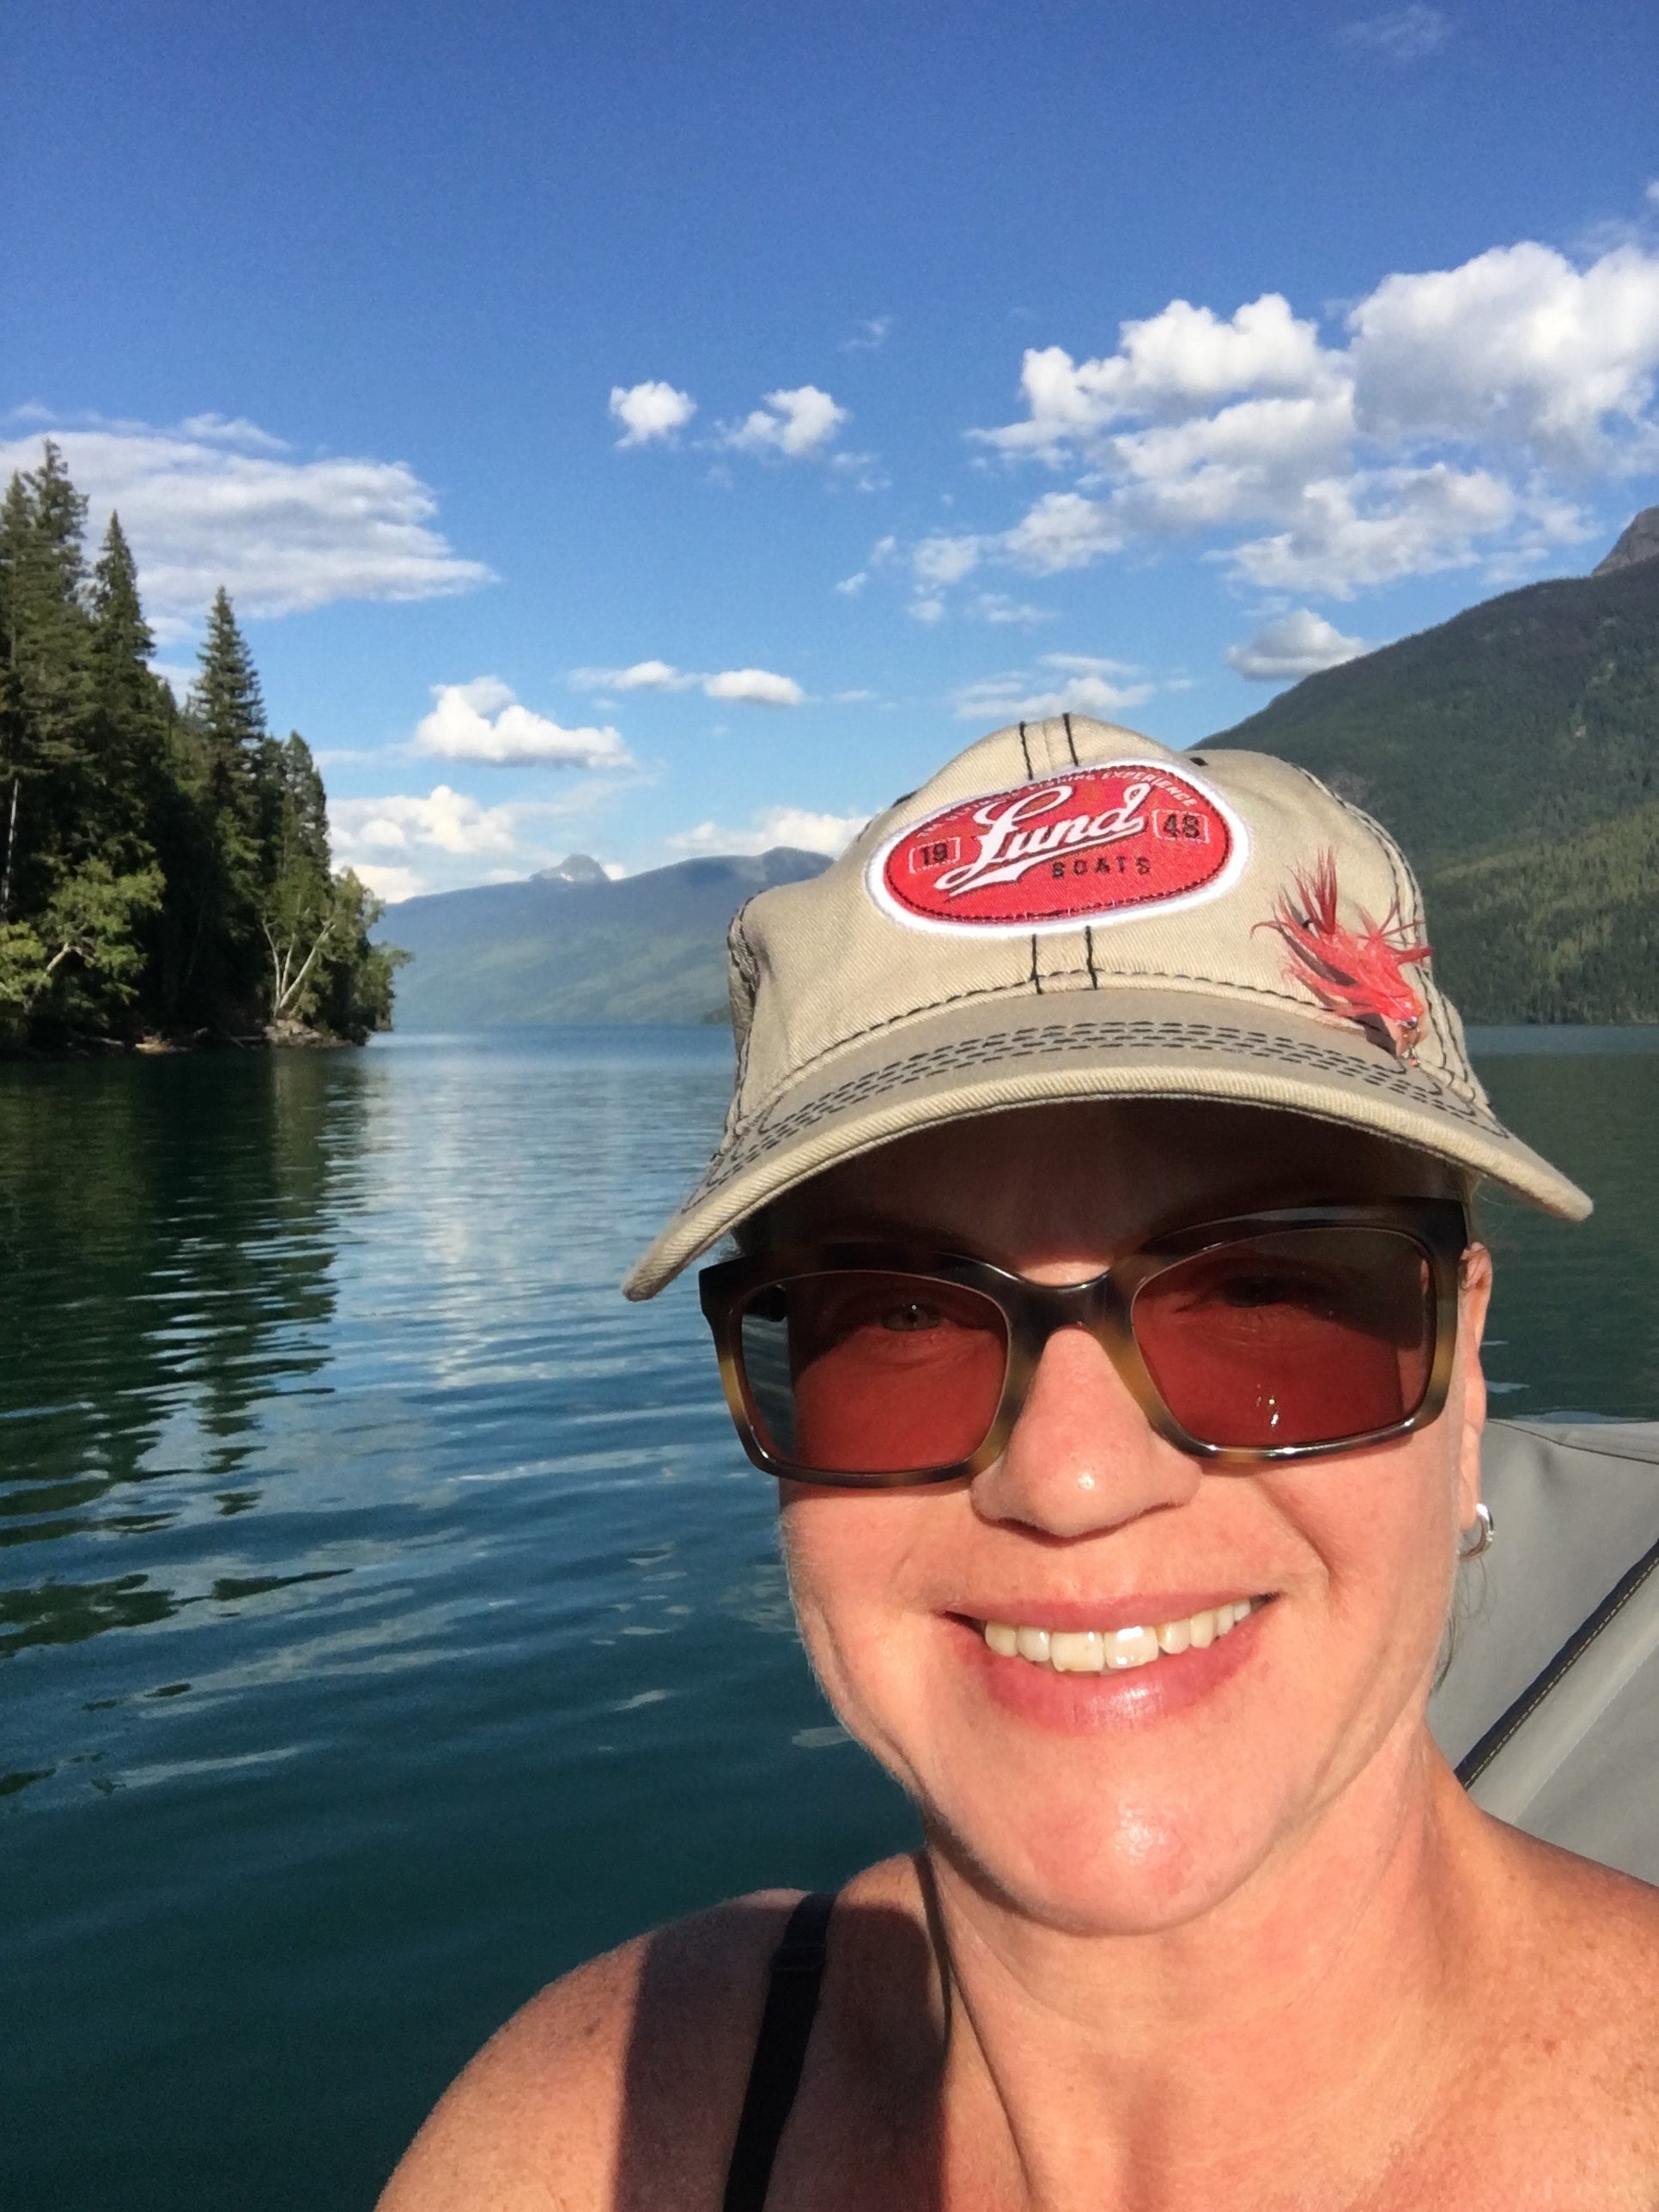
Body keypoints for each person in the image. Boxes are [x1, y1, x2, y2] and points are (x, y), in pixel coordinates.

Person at [380, 716, 1659, 2209]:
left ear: (1461, 1371)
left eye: (1266, 1297)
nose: (1071, 1482)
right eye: (899, 1317)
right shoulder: (597, 2136)